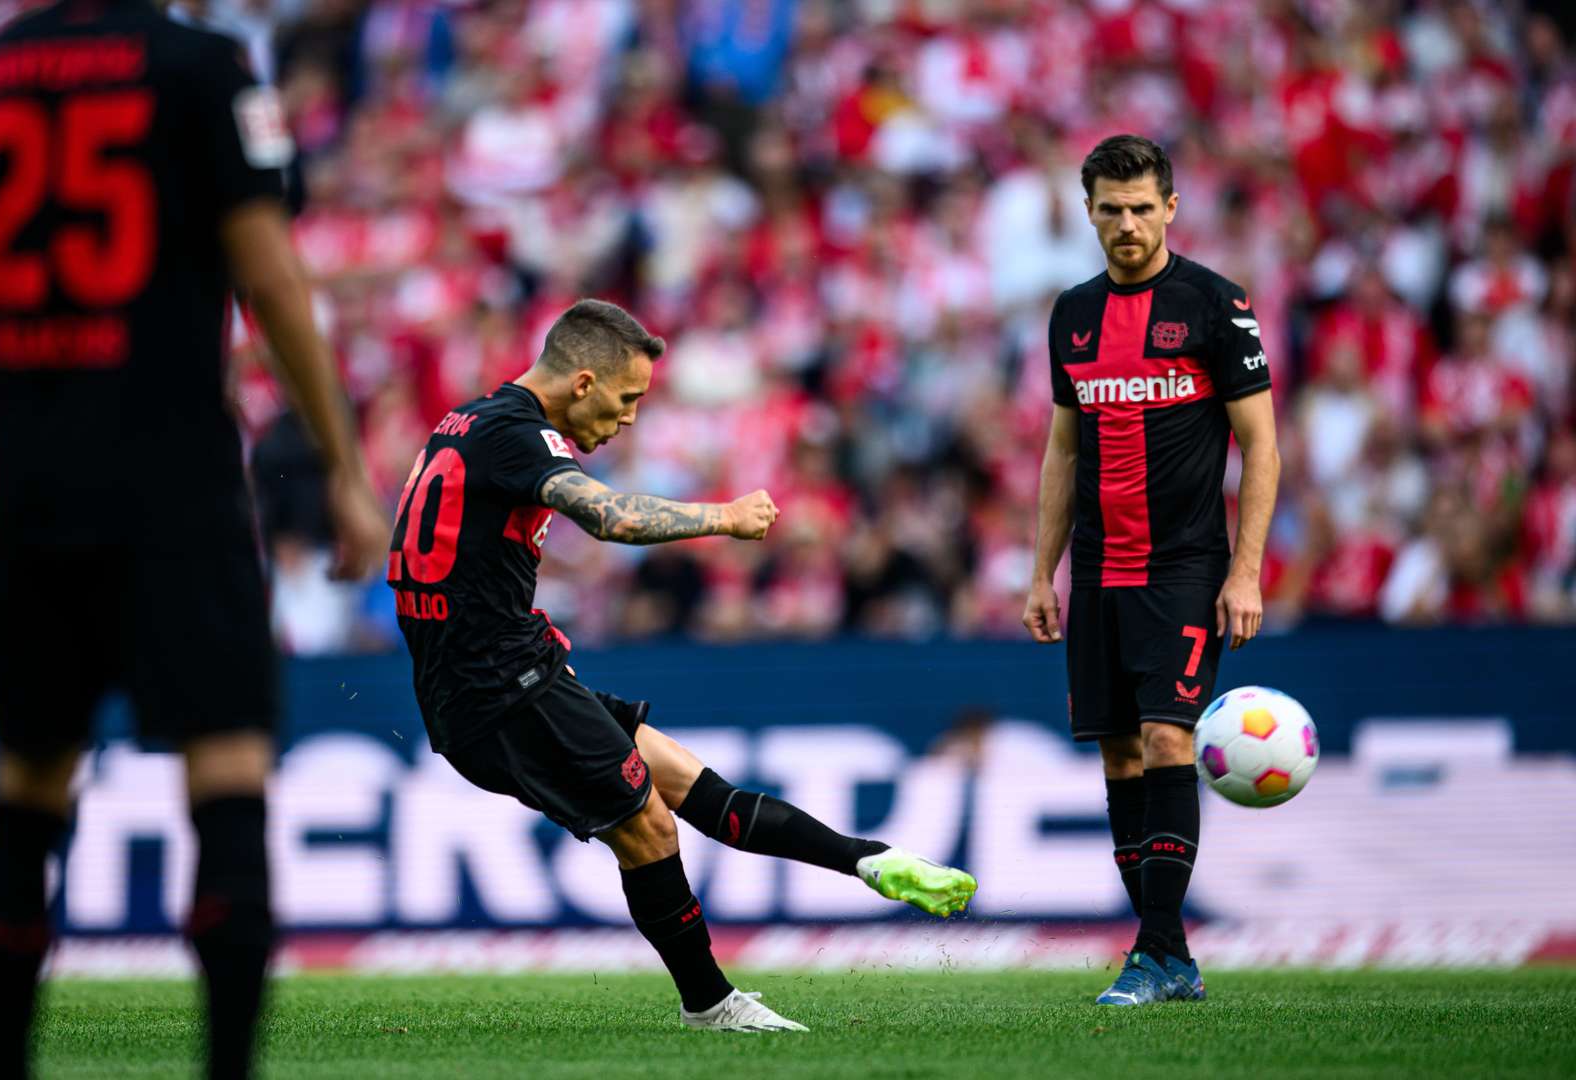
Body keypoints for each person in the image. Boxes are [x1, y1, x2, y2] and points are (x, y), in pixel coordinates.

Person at [0, 6, 391, 1077]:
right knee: (226, 775)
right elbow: (268, 274)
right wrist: (344, 466)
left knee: (29, 798)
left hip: (35, 488)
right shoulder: (204, 68)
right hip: (180, 480)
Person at [390, 298, 975, 1033]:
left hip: (506, 673)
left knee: (694, 788)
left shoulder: (465, 421)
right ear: (583, 382)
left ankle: (870, 861)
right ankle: (709, 1002)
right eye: (628, 396)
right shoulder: (522, 436)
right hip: (501, 687)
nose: (631, 417)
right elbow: (612, 518)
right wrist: (723, 517)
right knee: (649, 828)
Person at [1022, 134, 1280, 1006]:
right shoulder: (1072, 314)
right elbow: (1062, 453)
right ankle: (1169, 957)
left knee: (1171, 736)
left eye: (1142, 208)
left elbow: (1263, 448)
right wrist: (1039, 574)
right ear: (1087, 210)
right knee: (1121, 756)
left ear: (1171, 206)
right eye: (1110, 209)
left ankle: (1155, 953)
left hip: (1184, 566)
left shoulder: (1215, 304)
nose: (1127, 225)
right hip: (1097, 572)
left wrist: (1245, 574)